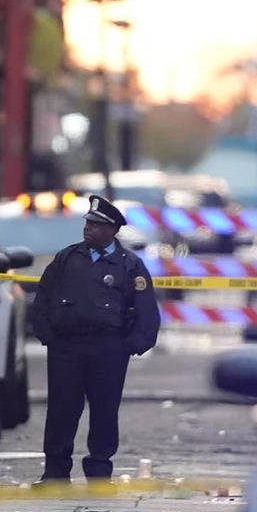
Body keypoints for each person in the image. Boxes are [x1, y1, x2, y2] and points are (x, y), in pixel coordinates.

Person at [30, 195, 160, 483]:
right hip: (67, 347)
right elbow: (44, 296)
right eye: (88, 222)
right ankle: (55, 472)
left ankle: (99, 473)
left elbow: (145, 307)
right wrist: (47, 334)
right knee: (62, 410)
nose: (88, 228)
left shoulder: (128, 265)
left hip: (108, 349)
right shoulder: (68, 257)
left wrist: (134, 344)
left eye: (96, 224)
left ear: (112, 230)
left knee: (104, 411)